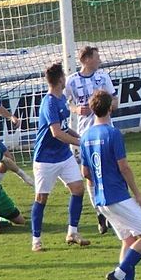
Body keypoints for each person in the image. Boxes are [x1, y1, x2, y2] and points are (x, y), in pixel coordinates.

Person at [80, 90, 141, 280]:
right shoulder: (113, 134)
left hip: (101, 199)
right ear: (110, 107)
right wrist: (138, 194)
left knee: (129, 240)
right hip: (117, 196)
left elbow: (85, 173)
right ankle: (118, 275)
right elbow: (124, 167)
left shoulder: (85, 136)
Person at [31, 63, 91, 252]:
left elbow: (64, 127)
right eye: (64, 76)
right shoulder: (48, 102)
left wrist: (80, 137)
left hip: (64, 156)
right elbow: (56, 133)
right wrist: (79, 143)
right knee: (41, 198)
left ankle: (72, 232)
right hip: (46, 158)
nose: (66, 79)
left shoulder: (61, 98)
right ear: (60, 80)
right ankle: (36, 240)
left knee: (78, 189)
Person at [65, 46, 118, 235]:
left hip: (105, 133)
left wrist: (105, 106)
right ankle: (100, 213)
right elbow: (65, 104)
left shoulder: (104, 78)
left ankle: (112, 210)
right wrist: (76, 110)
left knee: (111, 171)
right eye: (97, 57)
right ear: (86, 59)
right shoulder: (71, 81)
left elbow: (116, 102)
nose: (100, 60)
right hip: (83, 136)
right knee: (89, 175)